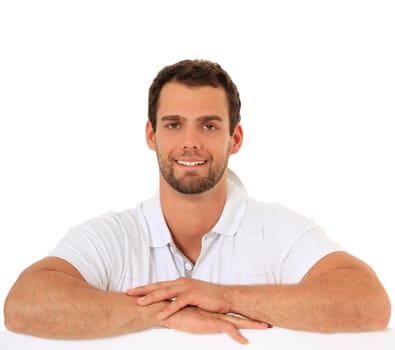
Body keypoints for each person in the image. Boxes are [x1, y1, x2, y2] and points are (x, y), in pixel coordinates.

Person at [4, 59, 391, 344]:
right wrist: (171, 312)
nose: (190, 142)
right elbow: (23, 306)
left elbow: (369, 304)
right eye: (173, 125)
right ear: (151, 135)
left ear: (235, 139)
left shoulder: (275, 228)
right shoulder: (115, 235)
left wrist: (223, 297)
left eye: (208, 125)